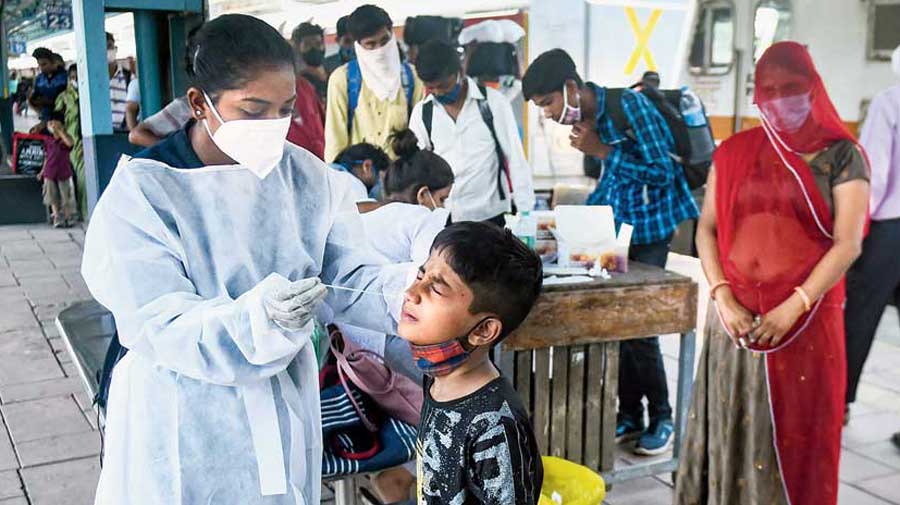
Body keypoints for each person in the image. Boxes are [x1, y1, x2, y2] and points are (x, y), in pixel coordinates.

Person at [81, 15, 412, 504]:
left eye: (283, 110)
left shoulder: (306, 178)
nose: (272, 129)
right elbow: (158, 319)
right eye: (253, 111)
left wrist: (412, 292)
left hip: (281, 397)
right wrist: (255, 320)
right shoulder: (146, 191)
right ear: (200, 104)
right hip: (183, 407)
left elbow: (347, 276)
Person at [674, 42, 869, 505]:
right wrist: (721, 295)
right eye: (771, 90)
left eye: (792, 89)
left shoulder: (842, 155)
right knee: (730, 425)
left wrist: (794, 305)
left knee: (794, 437)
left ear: (813, 88)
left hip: (805, 322)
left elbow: (849, 243)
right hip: (733, 320)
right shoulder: (735, 151)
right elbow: (707, 230)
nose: (781, 99)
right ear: (757, 95)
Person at [523, 48, 699, 455]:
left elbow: (662, 173)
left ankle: (662, 416)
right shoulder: (591, 120)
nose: (548, 114)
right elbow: (613, 182)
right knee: (611, 321)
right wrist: (571, 221)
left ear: (570, 87)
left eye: (548, 102)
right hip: (616, 228)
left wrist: (602, 150)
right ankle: (628, 414)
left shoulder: (630, 106)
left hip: (652, 228)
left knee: (638, 323)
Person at [398, 221, 544, 504]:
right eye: (420, 274)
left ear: (482, 331)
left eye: (437, 289)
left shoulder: (495, 427)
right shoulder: (438, 378)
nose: (411, 293)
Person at [410, 41, 534, 226]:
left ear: (459, 71)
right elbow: (419, 169)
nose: (438, 92)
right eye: (431, 87)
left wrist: (525, 214)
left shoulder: (493, 103)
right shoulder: (423, 113)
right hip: (445, 216)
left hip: (490, 214)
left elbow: (515, 158)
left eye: (443, 85)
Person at [844, 43, 900, 423]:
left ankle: (839, 403)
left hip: (889, 230)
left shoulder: (889, 101)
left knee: (860, 316)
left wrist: (856, 229)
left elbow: (874, 173)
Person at [324, 4, 424, 161]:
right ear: (358, 45)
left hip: (403, 179)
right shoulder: (342, 80)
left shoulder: (412, 76)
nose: (380, 50)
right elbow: (335, 145)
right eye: (371, 44)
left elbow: (422, 134)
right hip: (360, 180)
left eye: (385, 41)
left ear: (392, 34)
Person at [54, 64, 86, 220]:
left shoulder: (88, 94)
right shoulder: (64, 97)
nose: (75, 81)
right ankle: (79, 211)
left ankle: (85, 212)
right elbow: (57, 119)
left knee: (82, 177)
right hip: (70, 142)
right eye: (72, 77)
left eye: (77, 77)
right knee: (74, 178)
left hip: (84, 140)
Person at [37, 117, 77, 228]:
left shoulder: (65, 139)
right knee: (52, 196)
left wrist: (60, 131)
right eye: (50, 124)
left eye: (54, 123)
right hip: (50, 172)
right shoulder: (48, 140)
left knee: (65, 196)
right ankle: (56, 217)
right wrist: (42, 172)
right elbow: (46, 157)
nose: (52, 125)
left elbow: (70, 144)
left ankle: (68, 217)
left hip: (63, 172)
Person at [27, 48, 68, 132]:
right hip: (46, 119)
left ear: (53, 62)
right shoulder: (39, 79)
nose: (41, 68)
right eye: (39, 65)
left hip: (65, 120)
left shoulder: (65, 77)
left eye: (44, 64)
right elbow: (33, 99)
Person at [292, 22, 328, 104]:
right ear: (298, 48)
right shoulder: (298, 83)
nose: (314, 49)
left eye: (318, 44)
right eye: (307, 45)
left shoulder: (333, 73)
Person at [106, 32, 132, 132]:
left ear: (115, 48)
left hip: (124, 132)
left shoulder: (128, 76)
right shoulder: (93, 81)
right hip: (104, 133)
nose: (107, 50)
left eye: (109, 46)